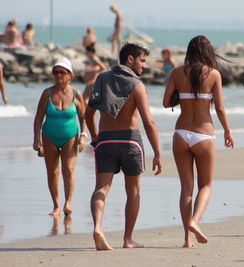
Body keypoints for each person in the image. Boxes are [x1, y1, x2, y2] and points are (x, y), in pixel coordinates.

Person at [85, 43, 162, 251]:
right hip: (130, 141)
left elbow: (88, 114)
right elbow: (149, 122)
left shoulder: (101, 79)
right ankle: (128, 239)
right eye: (142, 60)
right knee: (133, 192)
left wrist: (95, 139)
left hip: (106, 141)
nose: (144, 66)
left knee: (101, 188)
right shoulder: (137, 86)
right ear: (130, 59)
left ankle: (98, 228)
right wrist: (157, 152)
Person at [162, 35, 235, 248]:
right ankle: (195, 221)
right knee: (205, 185)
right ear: (208, 52)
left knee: (186, 189)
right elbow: (220, 108)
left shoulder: (177, 72)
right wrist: (228, 131)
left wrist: (181, 95)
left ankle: (187, 239)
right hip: (203, 134)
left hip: (181, 134)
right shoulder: (214, 74)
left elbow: (166, 102)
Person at [33, 57, 87, 216]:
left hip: (70, 136)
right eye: (55, 72)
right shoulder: (47, 93)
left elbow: (84, 118)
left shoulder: (77, 94)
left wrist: (83, 136)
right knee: (52, 172)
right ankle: (56, 205)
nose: (58, 75)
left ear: (70, 75)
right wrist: (37, 139)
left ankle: (68, 203)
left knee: (68, 170)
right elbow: (38, 117)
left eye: (62, 72)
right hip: (49, 137)